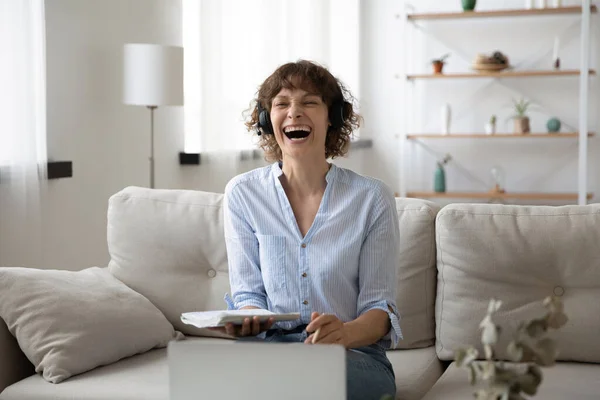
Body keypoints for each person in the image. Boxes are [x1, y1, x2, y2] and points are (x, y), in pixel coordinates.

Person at [219, 60, 401, 400]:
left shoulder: (372, 198)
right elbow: (249, 296)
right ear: (265, 119)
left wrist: (344, 333)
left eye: (309, 102)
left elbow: (380, 309)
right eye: (282, 103)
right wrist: (249, 318)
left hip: (352, 355)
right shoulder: (242, 194)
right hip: (274, 352)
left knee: (303, 380)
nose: (294, 112)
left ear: (333, 116)